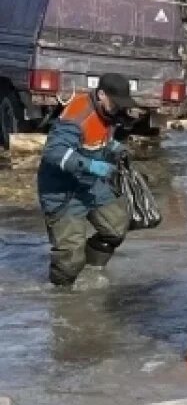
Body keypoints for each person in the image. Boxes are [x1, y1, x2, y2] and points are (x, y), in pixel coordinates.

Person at [37, 73, 137, 288]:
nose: (118, 108)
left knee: (116, 228)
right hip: (62, 191)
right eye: (115, 103)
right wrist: (91, 165)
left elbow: (98, 139)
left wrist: (114, 148)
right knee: (70, 258)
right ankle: (62, 293)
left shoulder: (107, 112)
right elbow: (54, 153)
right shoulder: (76, 115)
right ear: (101, 95)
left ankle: (90, 274)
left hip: (91, 185)